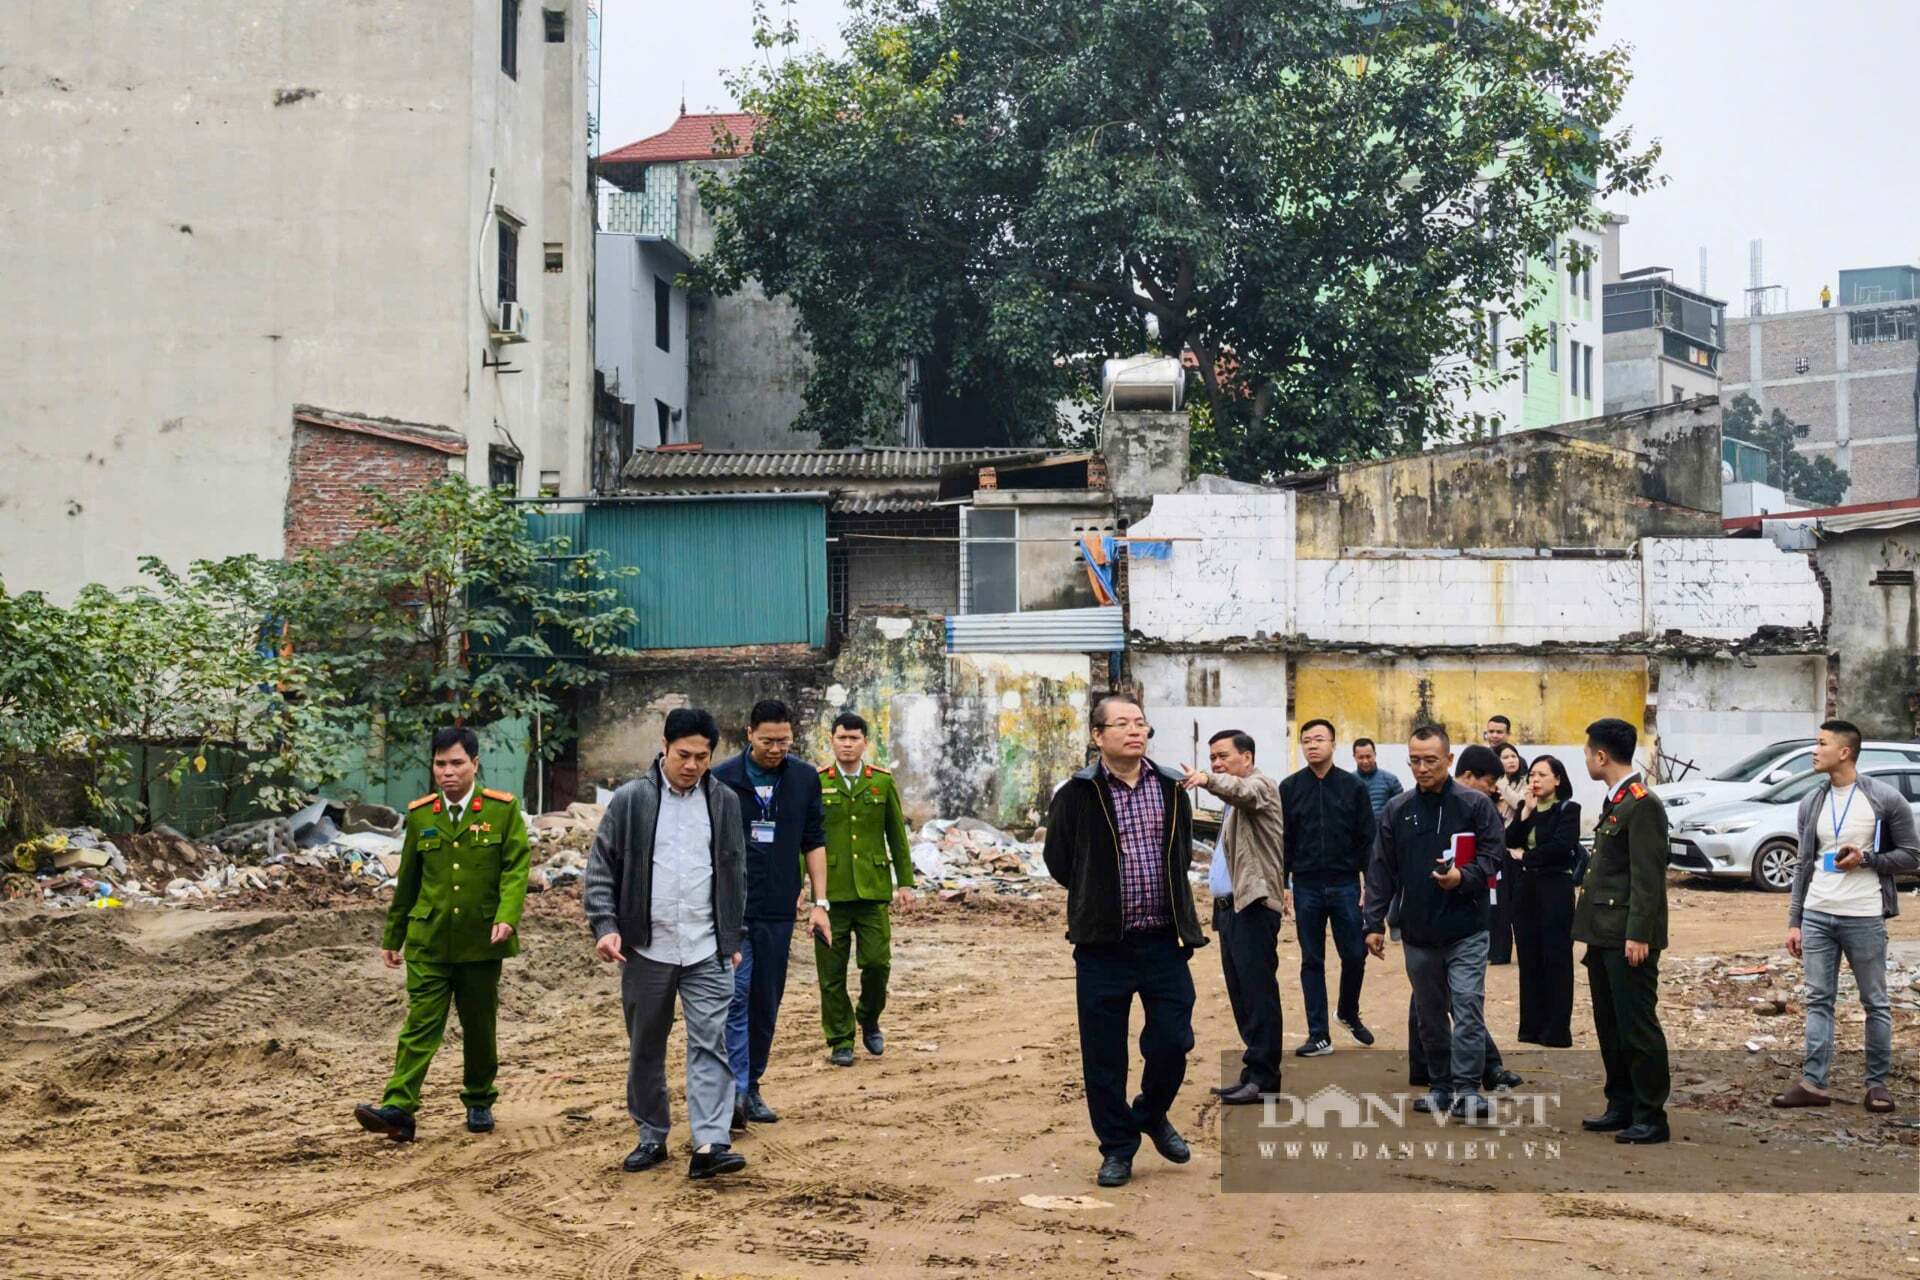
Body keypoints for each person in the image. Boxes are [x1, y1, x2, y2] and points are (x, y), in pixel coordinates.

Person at [1043, 696, 1206, 1189]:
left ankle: (1151, 1112)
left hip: (1163, 940)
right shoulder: (1075, 793)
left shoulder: (1172, 787)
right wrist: (1098, 897)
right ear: (1098, 736)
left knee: (1174, 1040)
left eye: (1140, 723)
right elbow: (1060, 862)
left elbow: (1180, 856)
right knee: (1103, 1055)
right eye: (1121, 724)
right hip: (1102, 947)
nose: (1134, 731)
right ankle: (1117, 1147)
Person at [583, 708, 749, 1179]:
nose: (692, 765)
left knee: (710, 1044)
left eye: (702, 756)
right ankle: (652, 1135)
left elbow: (736, 871)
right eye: (683, 755)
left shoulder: (724, 802)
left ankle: (710, 1143)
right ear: (663, 746)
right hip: (645, 947)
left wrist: (732, 933)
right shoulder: (630, 800)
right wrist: (605, 925)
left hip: (707, 948)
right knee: (645, 1047)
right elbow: (600, 870)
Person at [355, 727, 530, 1143]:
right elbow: (409, 881)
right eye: (440, 764)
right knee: (420, 1024)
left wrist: (507, 916)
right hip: (429, 938)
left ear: (475, 765)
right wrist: (392, 936)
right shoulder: (421, 815)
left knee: (479, 1026)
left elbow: (515, 869)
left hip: (481, 940)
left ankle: (479, 1099)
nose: (447, 772)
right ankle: (399, 1107)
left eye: (456, 763)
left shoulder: (501, 811)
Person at [1773, 720, 1918, 1114]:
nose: (1813, 751)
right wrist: (1795, 921)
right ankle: (1814, 1083)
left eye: (1820, 744)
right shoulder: (1812, 801)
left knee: (1876, 1002)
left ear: (1845, 752)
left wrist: (1867, 859)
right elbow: (1803, 864)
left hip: (1864, 915)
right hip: (1819, 913)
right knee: (1818, 1000)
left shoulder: (1884, 799)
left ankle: (1877, 1086)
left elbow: (1912, 856)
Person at [1362, 726, 1504, 1121]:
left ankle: (1467, 1089)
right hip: (1419, 932)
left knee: (1468, 1005)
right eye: (1415, 760)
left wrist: (1464, 877)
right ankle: (1440, 1087)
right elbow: (1381, 870)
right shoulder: (1397, 809)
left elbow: (1493, 858)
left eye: (1430, 760)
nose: (1422, 768)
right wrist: (1373, 922)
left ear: (1449, 760)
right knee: (1430, 1013)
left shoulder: (1476, 806)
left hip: (1467, 929)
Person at [712, 699, 831, 1127]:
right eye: (767, 741)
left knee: (767, 1000)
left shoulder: (803, 779)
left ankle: (753, 1084)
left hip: (780, 909)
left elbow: (814, 840)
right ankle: (736, 1093)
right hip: (733, 911)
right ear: (748, 734)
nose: (776, 748)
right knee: (736, 997)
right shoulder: (722, 779)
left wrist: (821, 903)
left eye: (784, 741)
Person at [1572, 717, 1671, 1145]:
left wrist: (1639, 934)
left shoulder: (1642, 803)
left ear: (1601, 756)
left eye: (1587, 753)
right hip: (1603, 933)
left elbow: (1647, 878)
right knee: (1609, 1023)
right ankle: (1621, 1103)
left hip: (1628, 936)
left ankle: (1651, 1113)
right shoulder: (1618, 800)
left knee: (1636, 1025)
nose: (1586, 760)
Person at [1404, 746, 1523, 1095]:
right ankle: (1446, 1071)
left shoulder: (1475, 808)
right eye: (1489, 783)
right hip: (1424, 920)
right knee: (1439, 1001)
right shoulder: (1419, 808)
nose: (1492, 790)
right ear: (1467, 775)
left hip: (1460, 921)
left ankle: (1465, 1073)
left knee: (1458, 999)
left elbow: (1490, 857)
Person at [1183, 730, 1286, 1106]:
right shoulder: (1231, 802)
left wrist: (1208, 780)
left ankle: (1264, 1079)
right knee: (1242, 996)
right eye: (1212, 758)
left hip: (1254, 907)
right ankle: (1253, 1072)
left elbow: (1242, 792)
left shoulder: (1261, 787)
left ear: (1247, 756)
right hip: (1230, 911)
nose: (1216, 763)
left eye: (1223, 756)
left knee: (1259, 996)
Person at [815, 712, 917, 1068]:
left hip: (873, 891)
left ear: (865, 743)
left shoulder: (882, 783)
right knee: (831, 974)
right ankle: (841, 1038)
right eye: (841, 738)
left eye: (854, 738)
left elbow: (897, 837)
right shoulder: (818, 783)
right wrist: (803, 885)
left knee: (876, 963)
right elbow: (807, 839)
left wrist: (905, 882)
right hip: (830, 892)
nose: (847, 744)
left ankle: (869, 1016)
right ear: (832, 740)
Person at [1280, 719, 1377, 1056]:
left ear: (1333, 744)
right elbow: (1285, 839)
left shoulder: (1352, 787)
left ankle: (1348, 1010)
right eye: (1306, 740)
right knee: (1312, 960)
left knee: (1354, 954)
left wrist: (1370, 884)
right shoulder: (1290, 787)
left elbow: (1367, 839)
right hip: (1305, 884)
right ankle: (1318, 1034)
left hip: (1345, 883)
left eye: (1319, 739)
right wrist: (1284, 883)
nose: (1312, 745)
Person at [1507, 755, 1581, 1048]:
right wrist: (1525, 812)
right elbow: (1509, 840)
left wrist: (1526, 856)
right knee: (1529, 956)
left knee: (1556, 957)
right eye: (1532, 776)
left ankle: (1556, 1031)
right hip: (1527, 888)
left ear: (1558, 779)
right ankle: (1531, 1028)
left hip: (1556, 887)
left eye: (1541, 775)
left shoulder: (1568, 809)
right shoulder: (1530, 809)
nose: (1534, 780)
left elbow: (1561, 847)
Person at [1485, 743, 1529, 965]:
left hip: (1518, 852)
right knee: (1498, 904)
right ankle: (1498, 952)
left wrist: (1502, 786)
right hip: (1497, 852)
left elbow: (1520, 804)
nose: (1511, 760)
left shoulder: (1526, 782)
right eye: (1505, 757)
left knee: (1519, 904)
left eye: (1514, 755)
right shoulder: (1489, 784)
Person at [1353, 738, 1404, 819]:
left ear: (1375, 755)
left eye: (1368, 756)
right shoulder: (1348, 782)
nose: (1365, 761)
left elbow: (1401, 810)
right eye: (1361, 757)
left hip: (1384, 830)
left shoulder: (1391, 780)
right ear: (1354, 757)